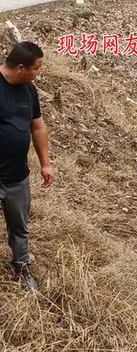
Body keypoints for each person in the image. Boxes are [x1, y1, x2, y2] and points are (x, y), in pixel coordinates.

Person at [0, 42, 53, 290]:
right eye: (36, 69)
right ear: (21, 68)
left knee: (19, 228)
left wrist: (45, 164)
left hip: (17, 177)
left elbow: (37, 126)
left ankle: (22, 269)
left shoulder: (28, 90)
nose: (37, 74)